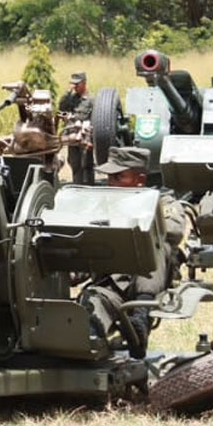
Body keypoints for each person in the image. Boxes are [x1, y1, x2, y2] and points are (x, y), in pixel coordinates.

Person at [85, 146, 194, 351]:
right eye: (109, 177)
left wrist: (132, 216)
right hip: (112, 283)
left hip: (148, 283)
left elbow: (173, 232)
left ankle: (141, 319)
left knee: (154, 245)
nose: (111, 183)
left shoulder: (162, 201)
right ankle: (90, 339)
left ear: (139, 179)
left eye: (118, 177)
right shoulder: (102, 205)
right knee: (94, 302)